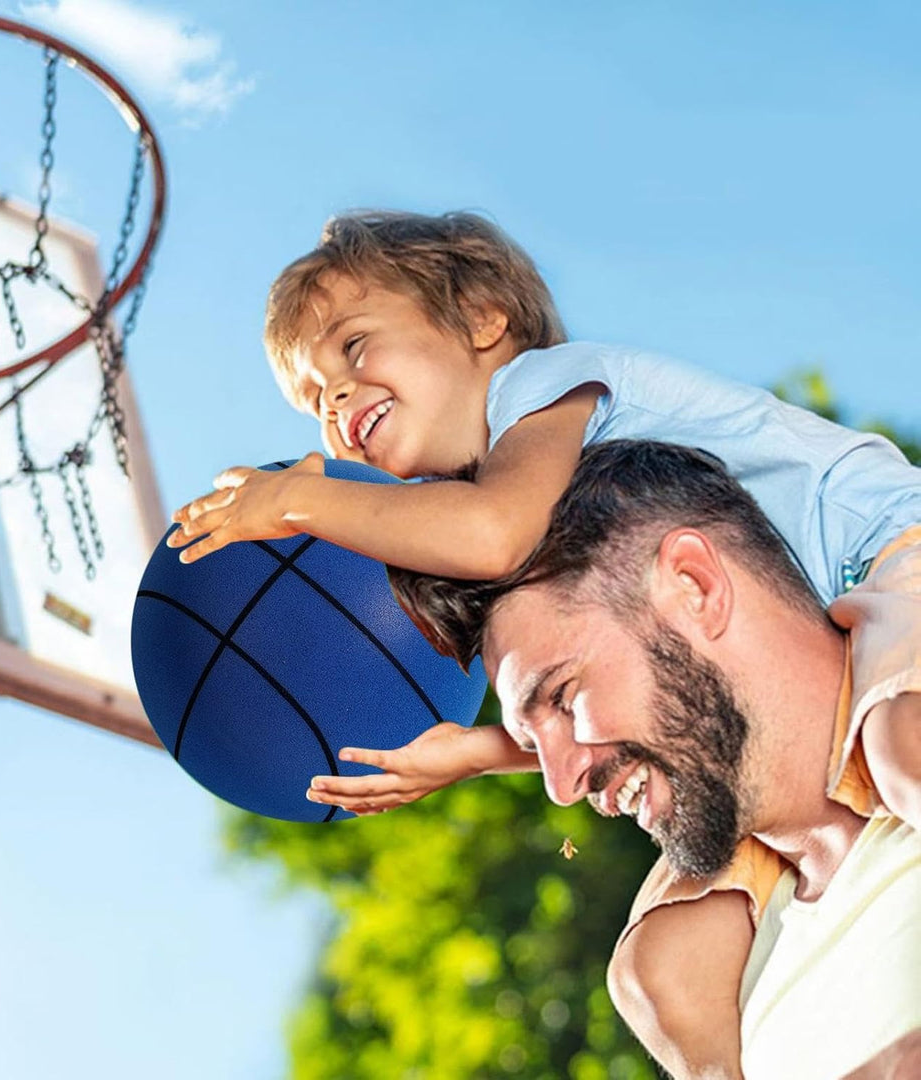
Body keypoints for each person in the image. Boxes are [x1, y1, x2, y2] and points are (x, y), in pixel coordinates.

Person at [166, 211, 921, 1070]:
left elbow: (490, 535)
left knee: (902, 740)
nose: (334, 401)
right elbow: (649, 699)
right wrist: (483, 752)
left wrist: (297, 504)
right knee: (660, 970)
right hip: (817, 644)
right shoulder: (554, 536)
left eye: (354, 348)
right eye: (311, 400)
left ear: (484, 318)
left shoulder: (547, 389)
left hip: (897, 553)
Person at [387, 440, 920, 1078]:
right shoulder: (732, 995)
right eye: (532, 746)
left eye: (563, 695)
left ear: (694, 585)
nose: (560, 784)